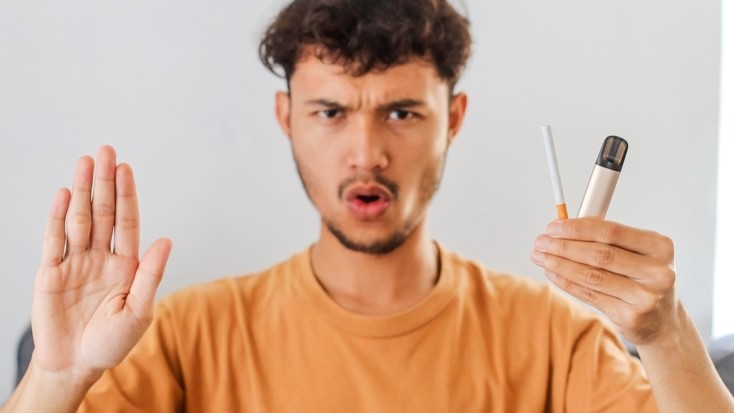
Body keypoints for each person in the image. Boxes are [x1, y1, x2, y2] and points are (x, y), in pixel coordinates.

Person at [3, 0, 734, 412]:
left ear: (453, 120)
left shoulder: (555, 339)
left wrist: (666, 336)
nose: (366, 153)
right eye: (330, 112)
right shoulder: (187, 337)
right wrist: (57, 377)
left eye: (402, 113)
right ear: (286, 119)